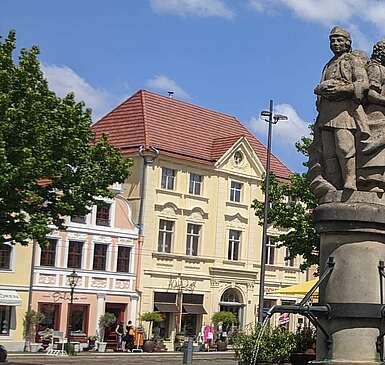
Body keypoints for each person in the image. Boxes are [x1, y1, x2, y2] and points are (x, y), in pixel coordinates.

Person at [309, 26, 369, 196]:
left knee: (344, 146)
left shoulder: (353, 60)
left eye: (339, 40)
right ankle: (335, 187)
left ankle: (350, 180)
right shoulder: (328, 64)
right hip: (326, 112)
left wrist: (343, 90)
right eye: (332, 40)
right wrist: (320, 89)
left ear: (347, 43)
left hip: (345, 110)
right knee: (328, 152)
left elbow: (363, 84)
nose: (335, 43)